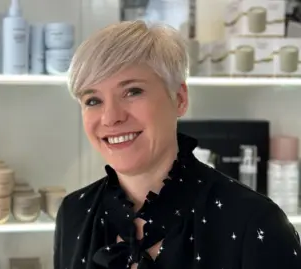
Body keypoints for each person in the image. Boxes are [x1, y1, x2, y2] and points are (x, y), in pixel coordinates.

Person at [54, 21, 301, 269]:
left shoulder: (256, 222)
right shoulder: (74, 212)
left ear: (180, 99)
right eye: (93, 100)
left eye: (132, 91)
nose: (111, 117)